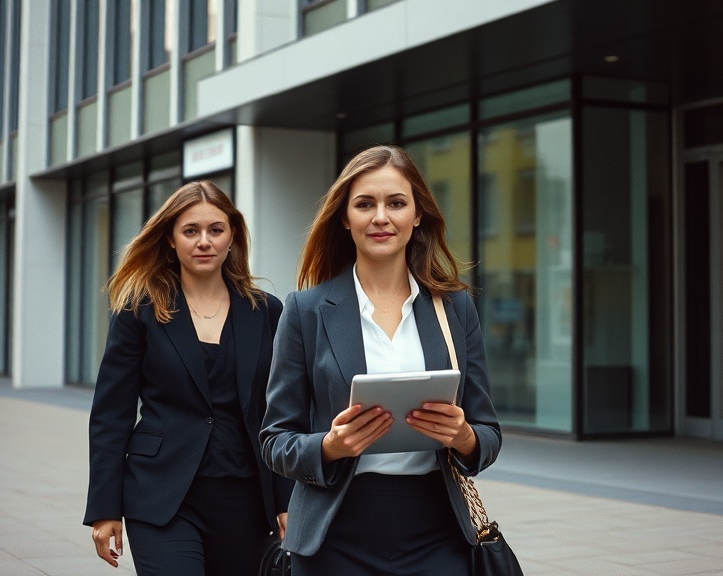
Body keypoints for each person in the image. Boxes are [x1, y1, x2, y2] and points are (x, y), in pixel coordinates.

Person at [260, 145, 502, 575]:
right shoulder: (305, 310)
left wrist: (462, 435)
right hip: (334, 533)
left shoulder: (455, 309)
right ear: (344, 217)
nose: (380, 217)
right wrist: (330, 446)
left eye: (396, 203)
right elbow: (275, 441)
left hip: (437, 529)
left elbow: (487, 433)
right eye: (365, 204)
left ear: (417, 214)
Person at [83, 181, 293, 575]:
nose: (204, 242)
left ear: (232, 236)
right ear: (170, 239)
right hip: (161, 495)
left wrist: (286, 499)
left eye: (216, 230)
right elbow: (112, 413)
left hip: (244, 497)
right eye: (191, 231)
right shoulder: (139, 310)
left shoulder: (266, 311)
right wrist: (104, 508)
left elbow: (278, 411)